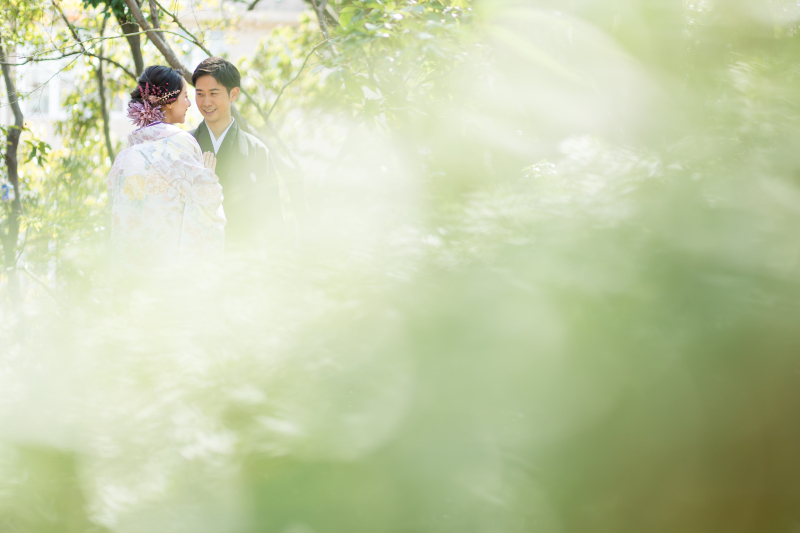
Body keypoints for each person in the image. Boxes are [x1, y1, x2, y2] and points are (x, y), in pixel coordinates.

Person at [107, 65, 226, 280]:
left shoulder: (123, 158)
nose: (190, 104)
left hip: (131, 273)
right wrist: (208, 176)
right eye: (185, 96)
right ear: (170, 101)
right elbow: (205, 201)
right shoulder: (181, 143)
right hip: (168, 270)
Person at [191, 57, 284, 250]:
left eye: (213, 93)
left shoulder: (257, 150)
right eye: (199, 94)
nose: (205, 102)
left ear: (233, 94)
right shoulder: (185, 146)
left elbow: (272, 216)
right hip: (195, 259)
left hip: (244, 261)